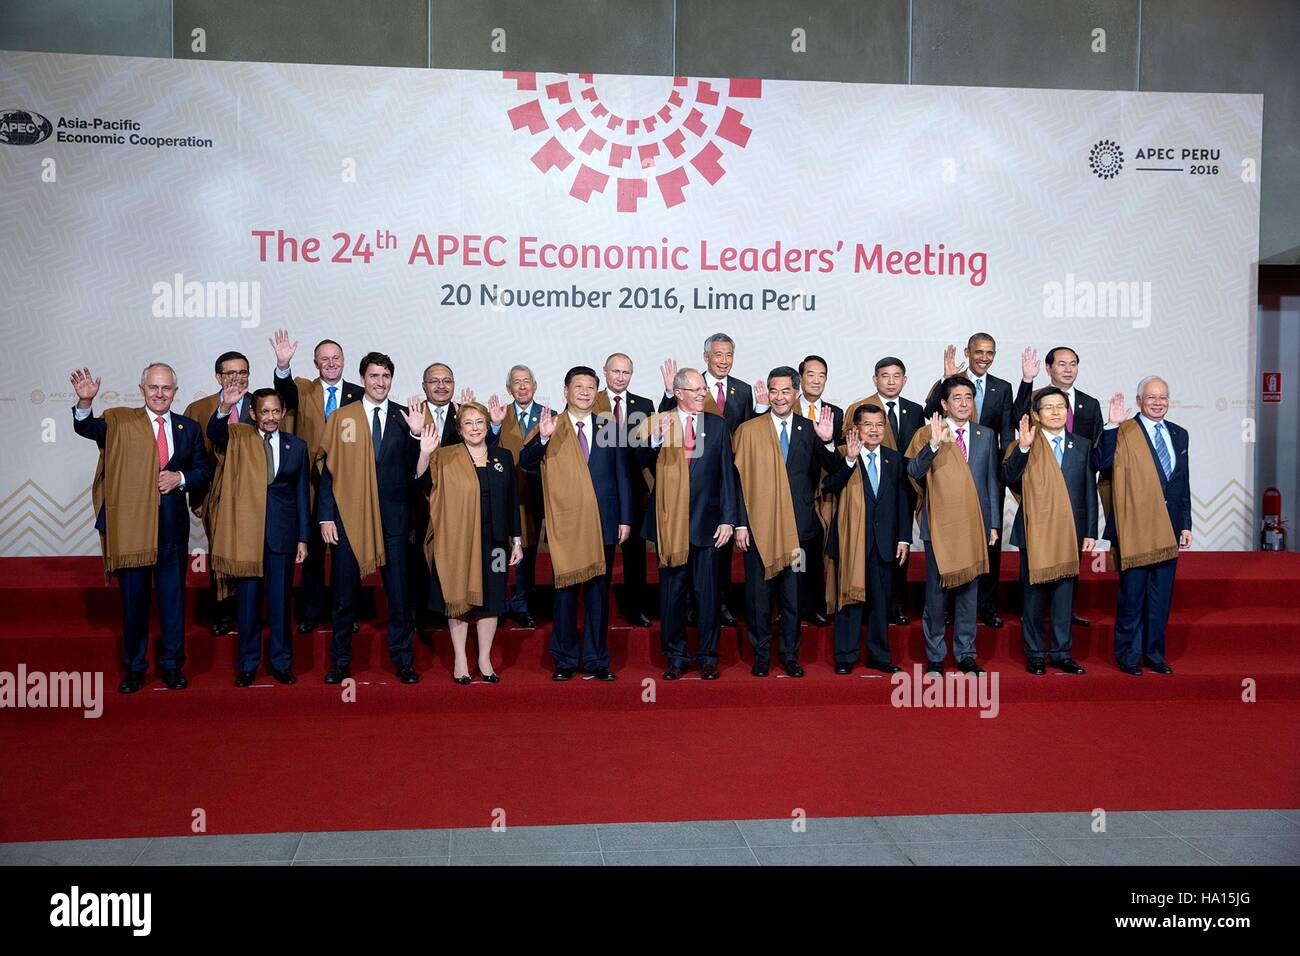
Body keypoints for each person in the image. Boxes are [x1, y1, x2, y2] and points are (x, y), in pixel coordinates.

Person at [71, 364, 212, 693]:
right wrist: (84, 404)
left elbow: (203, 470)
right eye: (153, 388)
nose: (159, 394)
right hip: (132, 531)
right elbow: (89, 429)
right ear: (141, 388)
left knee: (172, 602)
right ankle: (134, 668)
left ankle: (173, 666)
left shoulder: (188, 428)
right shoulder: (120, 422)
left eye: (166, 388)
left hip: (171, 532)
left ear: (175, 391)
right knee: (134, 603)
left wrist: (181, 478)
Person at [316, 352, 423, 684]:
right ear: (362, 379)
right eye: (374, 376)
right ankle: (340, 662)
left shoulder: (406, 418)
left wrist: (417, 437)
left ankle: (403, 661)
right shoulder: (341, 417)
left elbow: (414, 473)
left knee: (399, 597)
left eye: (386, 376)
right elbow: (327, 473)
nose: (380, 382)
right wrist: (326, 518)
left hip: (393, 519)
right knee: (345, 597)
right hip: (349, 518)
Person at [521, 367, 632, 681]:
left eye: (590, 387)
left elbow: (622, 472)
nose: (584, 392)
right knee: (566, 595)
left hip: (604, 520)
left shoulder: (608, 424)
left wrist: (624, 517)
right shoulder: (550, 424)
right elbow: (526, 463)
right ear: (565, 390)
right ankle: (565, 660)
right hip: (567, 525)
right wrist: (542, 438)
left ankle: (598, 660)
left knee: (599, 595)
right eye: (578, 386)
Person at [184, 333, 299, 636]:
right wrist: (197, 497)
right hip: (217, 496)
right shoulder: (199, 408)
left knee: (256, 555)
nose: (236, 378)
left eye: (242, 372)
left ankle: (254, 614)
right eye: (230, 373)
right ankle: (223, 612)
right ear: (217, 376)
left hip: (259, 498)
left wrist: (283, 366)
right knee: (223, 554)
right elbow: (192, 456)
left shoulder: (260, 405)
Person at [732, 366, 838, 677]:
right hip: (758, 531)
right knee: (758, 600)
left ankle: (790, 656)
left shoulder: (810, 429)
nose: (779, 397)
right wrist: (740, 524)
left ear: (796, 393)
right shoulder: (749, 430)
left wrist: (829, 442)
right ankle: (762, 656)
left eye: (786, 391)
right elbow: (737, 482)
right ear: (768, 392)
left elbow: (834, 471)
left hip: (799, 532)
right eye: (774, 391)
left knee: (793, 599)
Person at [659, 333, 769, 625]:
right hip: (692, 488)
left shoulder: (744, 391)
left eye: (729, 355)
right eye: (718, 355)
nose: (724, 361)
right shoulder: (688, 385)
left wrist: (761, 410)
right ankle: (692, 609)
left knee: (718, 556)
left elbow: (751, 435)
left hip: (728, 480)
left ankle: (718, 605)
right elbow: (661, 430)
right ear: (706, 357)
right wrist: (670, 393)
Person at [636, 368, 738, 679]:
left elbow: (727, 476)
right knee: (673, 594)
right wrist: (655, 440)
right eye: (695, 390)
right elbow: (640, 459)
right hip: (671, 524)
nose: (701, 395)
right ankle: (676, 657)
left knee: (708, 596)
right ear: (678, 393)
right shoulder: (659, 422)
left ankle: (708, 657)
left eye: (703, 390)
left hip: (708, 524)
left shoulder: (718, 425)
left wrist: (728, 519)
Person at [206, 384, 310, 686]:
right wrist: (225, 407)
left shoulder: (297, 446)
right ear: (252, 413)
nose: (270, 417)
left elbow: (302, 494)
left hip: (282, 535)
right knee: (248, 603)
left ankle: (281, 663)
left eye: (276, 411)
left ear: (284, 413)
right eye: (264, 411)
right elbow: (215, 433)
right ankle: (248, 665)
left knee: (280, 604)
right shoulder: (239, 438)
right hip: (246, 533)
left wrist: (303, 538)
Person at [416, 402, 522, 683]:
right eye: (468, 424)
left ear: (487, 427)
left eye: (479, 423)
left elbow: (512, 501)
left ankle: (485, 659)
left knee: (493, 599)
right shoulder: (446, 457)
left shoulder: (503, 457)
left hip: (496, 542)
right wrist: (425, 453)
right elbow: (424, 483)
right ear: (459, 430)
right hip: (459, 539)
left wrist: (517, 541)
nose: (474, 428)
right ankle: (461, 659)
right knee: (459, 598)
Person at [1093, 379, 1192, 676]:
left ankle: (1154, 654)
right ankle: (1128, 655)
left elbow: (1182, 483)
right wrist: (1111, 426)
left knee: (1160, 600)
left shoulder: (1179, 434)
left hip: (1168, 529)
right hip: (1133, 528)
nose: (1158, 402)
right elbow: (1101, 462)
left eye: (1163, 396)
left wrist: (1185, 523)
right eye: (1151, 397)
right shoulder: (1124, 431)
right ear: (1139, 399)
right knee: (1132, 597)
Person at [907, 376, 1001, 673]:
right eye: (957, 398)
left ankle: (965, 654)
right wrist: (933, 445)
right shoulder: (928, 433)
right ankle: (935, 654)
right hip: (940, 525)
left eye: (969, 397)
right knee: (936, 594)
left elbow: (990, 483)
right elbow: (913, 471)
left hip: (974, 525)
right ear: (945, 404)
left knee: (968, 593)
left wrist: (994, 524)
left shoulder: (986, 434)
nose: (963, 403)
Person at [1001, 388, 1097, 676]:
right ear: (1037, 414)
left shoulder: (1080, 444)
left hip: (1070, 530)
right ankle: (1034, 653)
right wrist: (1024, 448)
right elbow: (1009, 478)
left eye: (1060, 407)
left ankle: (1061, 653)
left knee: (1064, 597)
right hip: (1035, 530)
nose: (1055, 412)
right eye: (1048, 408)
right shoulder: (1026, 441)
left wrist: (1090, 531)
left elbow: (1088, 491)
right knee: (1033, 598)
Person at [924, 335, 1014, 629]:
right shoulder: (940, 425)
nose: (984, 357)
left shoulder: (988, 426)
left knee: (978, 575)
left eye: (990, 352)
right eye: (979, 352)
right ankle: (940, 637)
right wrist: (947, 379)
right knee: (941, 582)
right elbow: (928, 416)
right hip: (944, 512)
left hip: (979, 500)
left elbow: (1003, 439)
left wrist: (994, 522)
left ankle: (980, 619)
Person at [1013, 345, 1105, 628]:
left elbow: (1095, 460)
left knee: (1067, 580)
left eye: (1073, 363)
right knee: (1035, 579)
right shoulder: (1037, 400)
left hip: (1072, 502)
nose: (1068, 369)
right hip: (1039, 503)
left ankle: (1064, 620)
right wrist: (1027, 381)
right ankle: (1033, 622)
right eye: (1061, 364)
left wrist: (1112, 426)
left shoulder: (1089, 404)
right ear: (1049, 368)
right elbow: (1016, 420)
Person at [276, 337, 363, 635]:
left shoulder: (359, 394)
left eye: (335, 357)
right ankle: (310, 613)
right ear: (315, 364)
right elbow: (283, 390)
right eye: (324, 359)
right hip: (311, 486)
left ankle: (346, 612)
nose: (330, 363)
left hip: (350, 487)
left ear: (343, 360)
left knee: (346, 557)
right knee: (312, 553)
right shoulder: (303, 389)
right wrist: (283, 365)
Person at [823, 404, 910, 674]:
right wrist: (849, 460)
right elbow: (830, 486)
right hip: (851, 541)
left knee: (881, 603)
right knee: (849, 602)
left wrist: (904, 539)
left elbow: (902, 501)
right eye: (867, 425)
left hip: (885, 543)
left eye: (879, 425)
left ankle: (879, 657)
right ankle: (846, 658)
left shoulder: (895, 459)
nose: (873, 430)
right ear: (856, 429)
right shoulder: (842, 454)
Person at [844, 356, 923, 625]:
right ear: (875, 379)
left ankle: (895, 605)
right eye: (885, 376)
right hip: (868, 490)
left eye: (896, 376)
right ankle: (864, 603)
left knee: (897, 550)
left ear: (905, 380)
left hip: (904, 488)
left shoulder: (915, 410)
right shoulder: (860, 408)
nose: (891, 381)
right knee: (867, 550)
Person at [409, 362, 471, 635]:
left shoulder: (465, 414)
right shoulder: (411, 415)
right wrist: (414, 433)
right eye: (434, 381)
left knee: (457, 557)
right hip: (423, 502)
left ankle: (457, 610)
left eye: (447, 380)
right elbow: (405, 460)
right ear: (424, 386)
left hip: (459, 504)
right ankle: (423, 614)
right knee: (423, 559)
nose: (441, 386)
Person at [594, 352, 655, 627]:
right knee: (601, 553)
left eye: (625, 372)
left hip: (634, 489)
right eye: (615, 371)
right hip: (601, 490)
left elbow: (648, 451)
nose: (620, 377)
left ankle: (636, 607)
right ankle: (598, 607)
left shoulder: (643, 404)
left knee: (635, 554)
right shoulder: (590, 401)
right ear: (605, 372)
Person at [486, 365, 543, 628]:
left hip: (533, 496)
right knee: (499, 549)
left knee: (527, 551)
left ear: (535, 385)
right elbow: (482, 449)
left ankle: (521, 602)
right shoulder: (498, 415)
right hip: (501, 496)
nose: (522, 387)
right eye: (516, 383)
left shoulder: (548, 416)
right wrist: (494, 427)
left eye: (526, 382)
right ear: (509, 388)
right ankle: (497, 602)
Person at [795, 354, 842, 626]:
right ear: (800, 379)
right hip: (793, 494)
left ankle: (814, 606)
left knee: (815, 555)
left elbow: (838, 461)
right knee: (793, 556)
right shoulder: (787, 407)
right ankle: (791, 606)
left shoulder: (835, 413)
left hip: (824, 496)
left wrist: (827, 443)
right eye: (810, 374)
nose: (816, 380)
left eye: (821, 375)